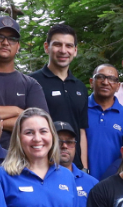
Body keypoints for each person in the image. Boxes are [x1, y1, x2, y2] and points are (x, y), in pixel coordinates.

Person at [33, 25, 89, 153]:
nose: (63, 51)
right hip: (43, 160)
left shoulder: (80, 87)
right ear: (47, 47)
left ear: (75, 50)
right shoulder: (32, 82)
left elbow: (81, 130)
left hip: (73, 166)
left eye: (68, 46)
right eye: (58, 45)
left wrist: (84, 168)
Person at [82, 63, 123, 179]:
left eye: (111, 79)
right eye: (101, 77)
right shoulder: (80, 109)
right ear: (91, 82)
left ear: (118, 86)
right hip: (82, 180)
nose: (105, 82)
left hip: (114, 183)